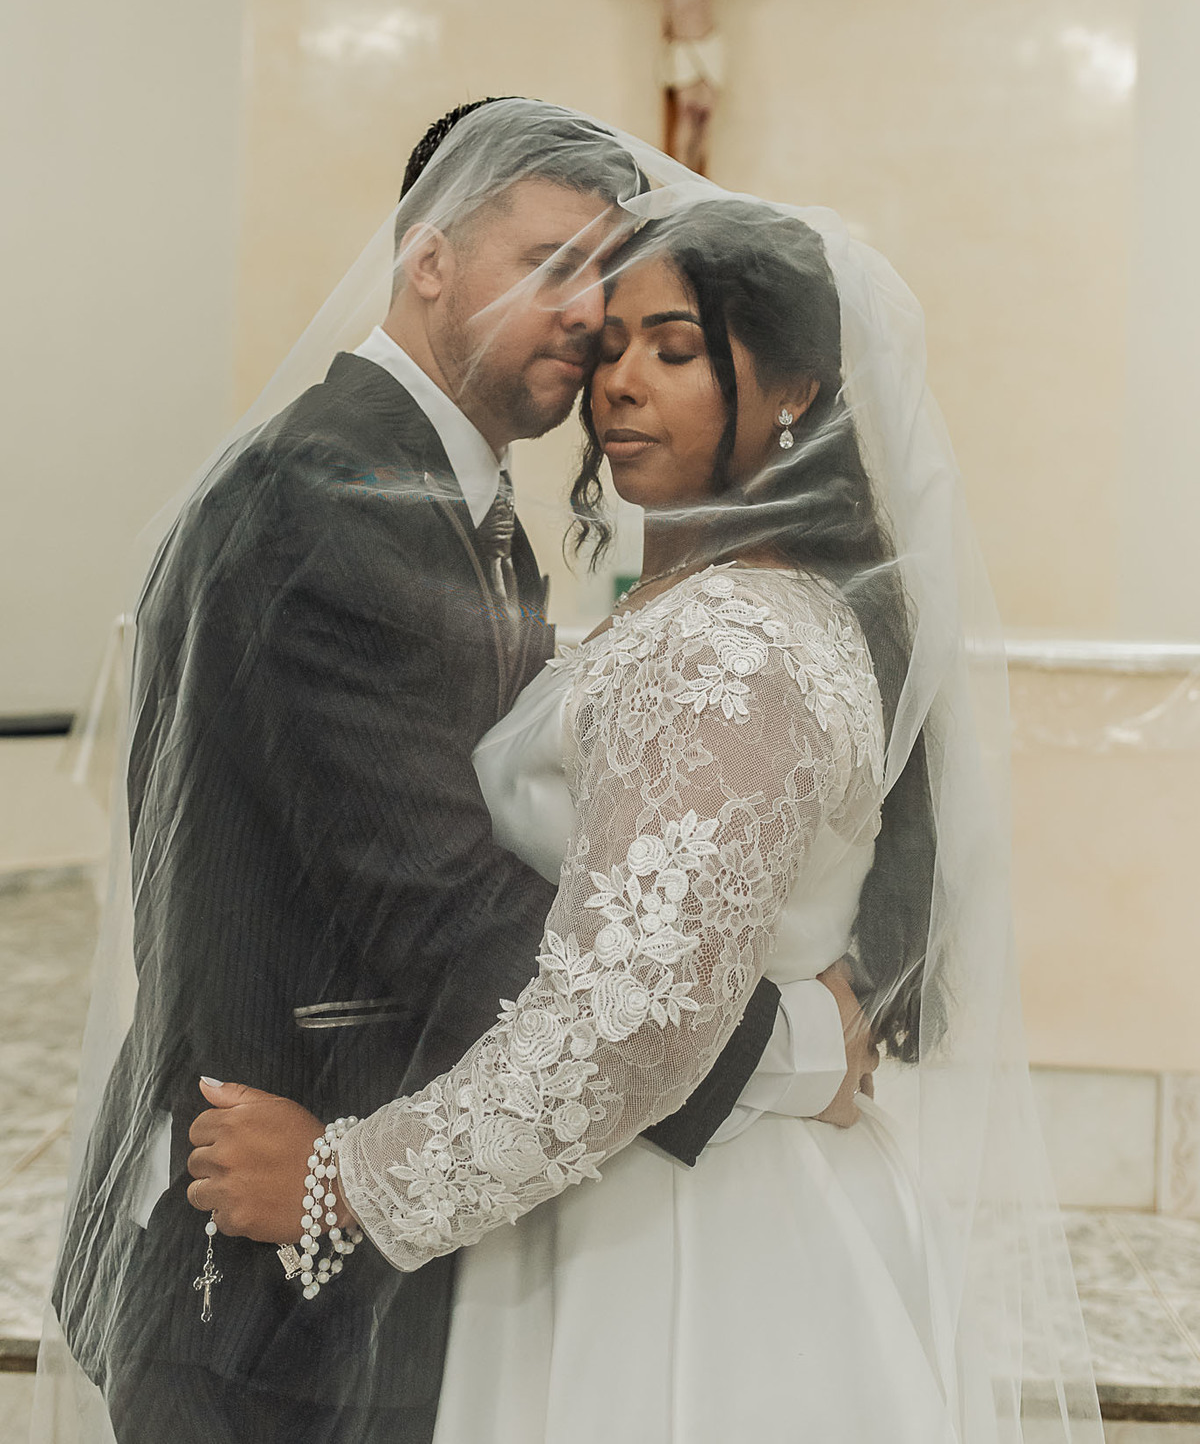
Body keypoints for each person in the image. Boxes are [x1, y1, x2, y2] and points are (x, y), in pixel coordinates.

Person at [184, 164, 1104, 1441]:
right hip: (634, 1189)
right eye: (612, 345)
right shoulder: (713, 608)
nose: (617, 381)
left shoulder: (735, 638)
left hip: (688, 1241)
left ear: (792, 392)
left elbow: (625, 1024)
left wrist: (347, 1179)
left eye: (676, 350)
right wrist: (793, 1046)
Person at [47, 99, 870, 1444]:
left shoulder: (457, 503)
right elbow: (443, 902)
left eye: (607, 282)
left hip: (393, 1241)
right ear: (427, 258)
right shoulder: (326, 497)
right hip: (267, 1261)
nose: (584, 319)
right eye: (548, 264)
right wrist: (780, 1046)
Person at [553, 0, 813, 171]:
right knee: (687, 114)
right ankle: (676, 178)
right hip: (682, 49)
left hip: (709, 45)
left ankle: (698, 183)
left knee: (705, 117)